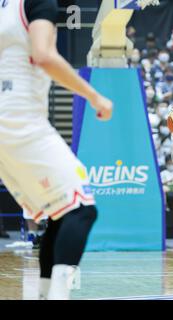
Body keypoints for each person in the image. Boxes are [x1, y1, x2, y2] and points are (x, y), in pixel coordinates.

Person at [0, 0, 113, 299]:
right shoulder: (38, 2)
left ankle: (45, 295)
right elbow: (44, 56)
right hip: (20, 120)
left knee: (60, 214)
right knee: (82, 211)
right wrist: (95, 97)